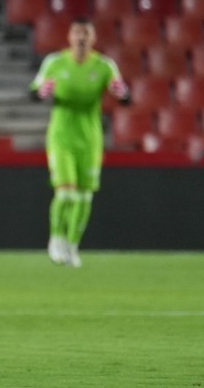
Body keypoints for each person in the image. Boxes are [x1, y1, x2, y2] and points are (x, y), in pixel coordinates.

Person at [30, 16, 130, 267]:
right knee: (66, 194)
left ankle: (72, 245)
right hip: (62, 136)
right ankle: (55, 239)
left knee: (85, 198)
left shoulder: (105, 65)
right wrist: (42, 93)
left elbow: (124, 95)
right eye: (77, 33)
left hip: (90, 138)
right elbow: (34, 92)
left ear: (93, 39)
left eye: (86, 34)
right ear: (69, 37)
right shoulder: (54, 62)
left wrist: (122, 94)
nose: (81, 38)